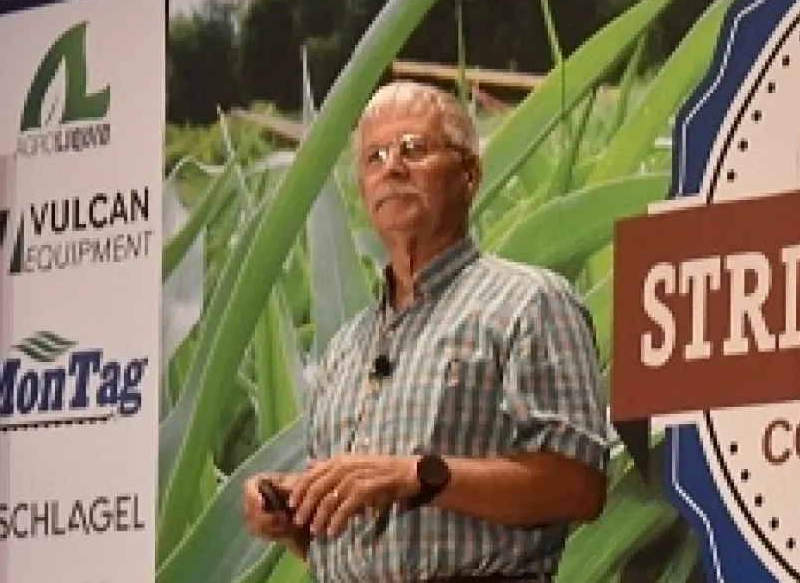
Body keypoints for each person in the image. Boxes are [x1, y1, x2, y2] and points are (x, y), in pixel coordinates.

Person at [240, 80, 614, 583]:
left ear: (469, 174)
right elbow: (354, 548)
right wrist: (290, 514)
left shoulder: (528, 302)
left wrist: (416, 475)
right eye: (373, 157)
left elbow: (579, 486)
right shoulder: (343, 351)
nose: (391, 167)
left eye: (413, 149)